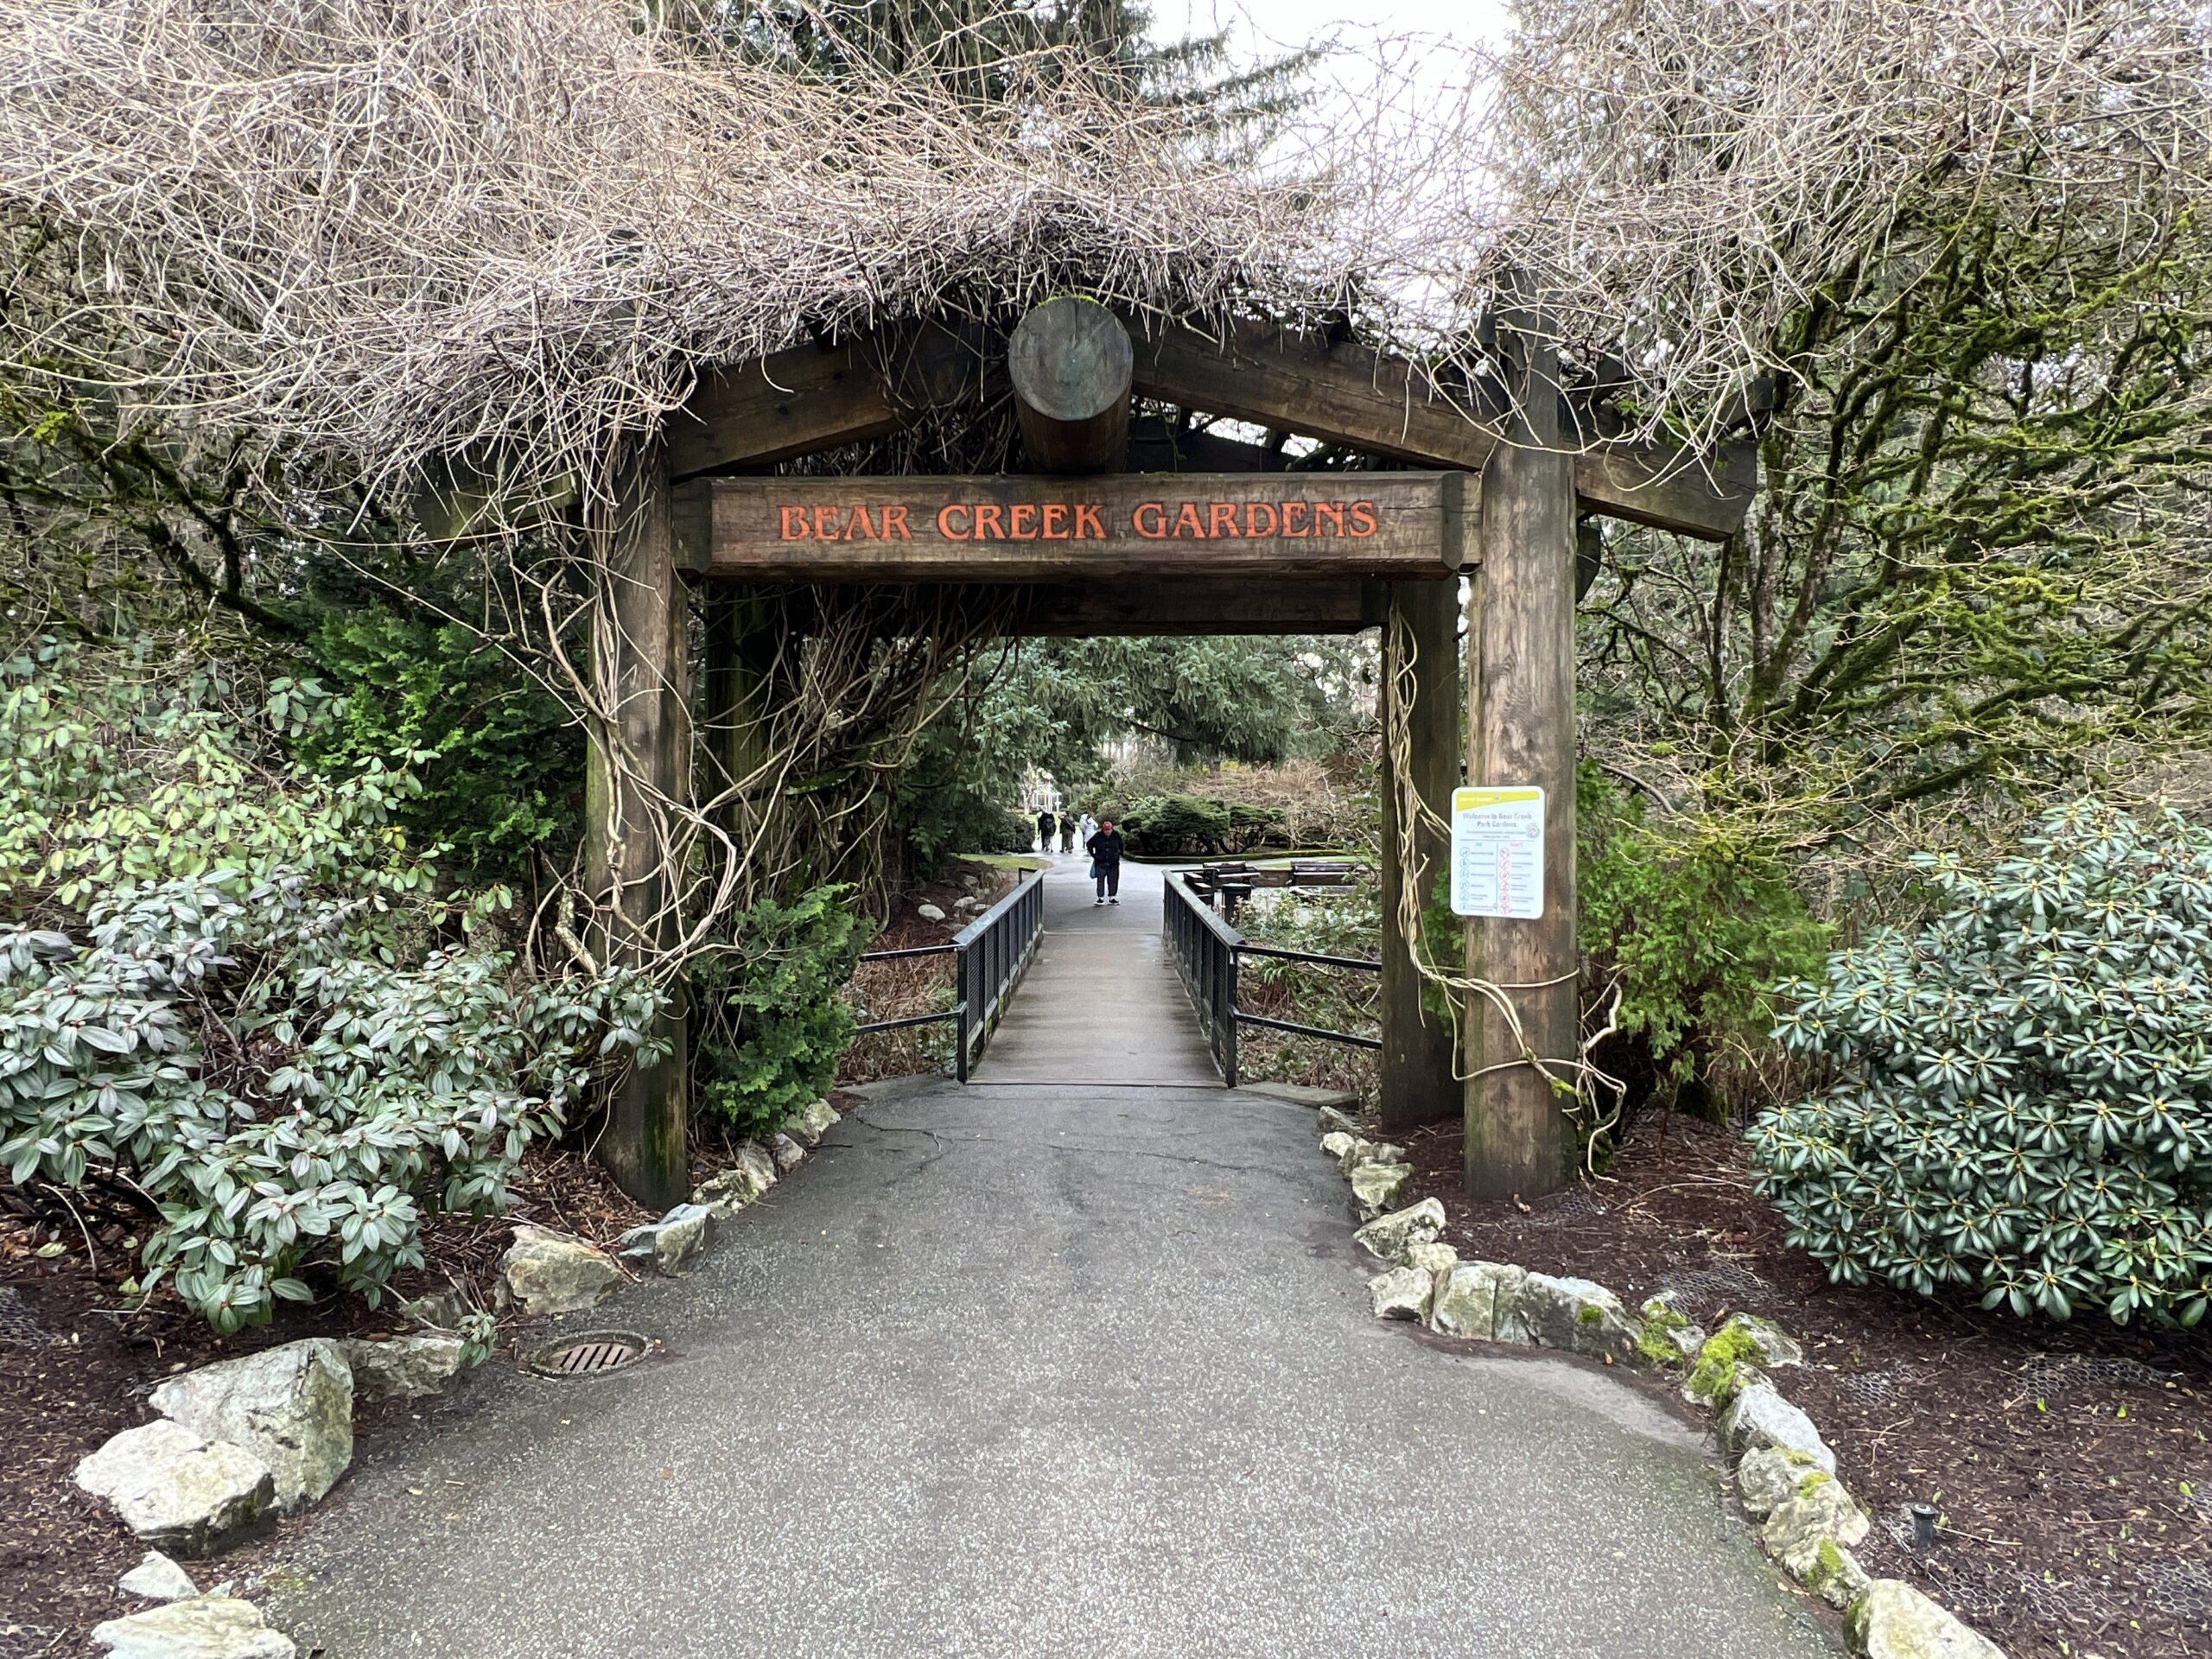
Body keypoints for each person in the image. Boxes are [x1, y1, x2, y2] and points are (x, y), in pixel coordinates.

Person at [1086, 817, 1125, 906]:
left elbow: (1122, 845)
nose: (1107, 832)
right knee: (1100, 881)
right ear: (1103, 829)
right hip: (1101, 862)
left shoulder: (1116, 835)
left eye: (1109, 830)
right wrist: (1094, 855)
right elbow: (1089, 844)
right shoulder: (1098, 836)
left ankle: (1112, 897)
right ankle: (1100, 898)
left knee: (1113, 880)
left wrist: (1119, 853)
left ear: (1112, 829)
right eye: (1106, 830)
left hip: (1113, 863)